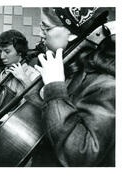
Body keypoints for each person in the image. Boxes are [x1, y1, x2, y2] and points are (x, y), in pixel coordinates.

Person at [29, 7, 115, 167]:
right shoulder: (70, 68)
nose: (41, 34)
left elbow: (83, 154)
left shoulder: (108, 84)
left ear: (73, 33)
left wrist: (55, 89)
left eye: (46, 28)